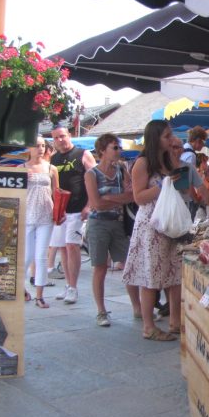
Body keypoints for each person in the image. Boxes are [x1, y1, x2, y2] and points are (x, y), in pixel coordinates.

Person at [123, 120, 209, 341]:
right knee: (151, 277)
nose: (172, 139)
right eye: (167, 136)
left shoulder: (169, 161)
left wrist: (177, 175)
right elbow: (138, 197)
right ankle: (149, 326)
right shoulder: (143, 163)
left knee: (174, 273)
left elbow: (185, 189)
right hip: (152, 224)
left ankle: (174, 321)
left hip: (172, 225)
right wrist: (162, 185)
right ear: (156, 138)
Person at [84, 134, 136, 327]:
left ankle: (137, 308)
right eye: (115, 147)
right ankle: (101, 311)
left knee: (129, 264)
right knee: (100, 267)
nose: (119, 150)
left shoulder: (122, 170)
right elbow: (95, 204)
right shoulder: (92, 174)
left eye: (119, 147)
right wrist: (115, 199)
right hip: (98, 224)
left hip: (118, 223)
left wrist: (108, 198)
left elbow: (131, 196)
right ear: (103, 151)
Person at [49, 125, 96, 304]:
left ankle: (74, 288)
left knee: (72, 246)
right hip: (60, 212)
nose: (60, 140)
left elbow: (94, 179)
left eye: (62, 136)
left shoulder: (83, 154)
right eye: (56, 138)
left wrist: (89, 205)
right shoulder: (53, 159)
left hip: (78, 210)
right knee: (62, 247)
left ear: (69, 135)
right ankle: (68, 285)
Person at [24, 137, 59, 308]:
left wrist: (59, 211)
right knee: (26, 256)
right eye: (36, 145)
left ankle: (40, 295)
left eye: (43, 146)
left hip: (46, 214)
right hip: (27, 214)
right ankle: (21, 288)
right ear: (29, 148)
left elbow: (56, 192)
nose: (40, 149)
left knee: (41, 256)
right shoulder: (21, 168)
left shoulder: (51, 168)